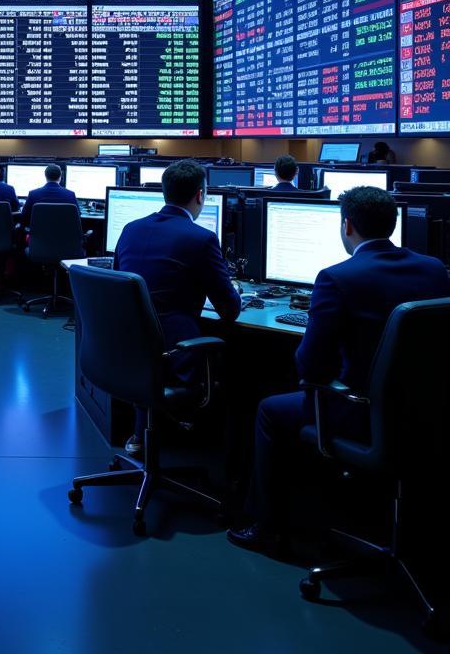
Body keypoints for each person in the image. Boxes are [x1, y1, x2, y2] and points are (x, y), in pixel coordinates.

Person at [228, 187, 450, 553]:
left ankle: (267, 526)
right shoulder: (434, 270)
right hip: (427, 409)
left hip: (362, 411)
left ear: (347, 226)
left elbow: (310, 366)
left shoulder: (337, 277)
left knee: (269, 408)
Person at [114, 159, 241, 456]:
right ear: (201, 195)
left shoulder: (130, 229)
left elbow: (122, 285)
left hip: (124, 350)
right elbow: (229, 311)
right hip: (175, 350)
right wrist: (232, 287)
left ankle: (142, 432)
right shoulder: (202, 238)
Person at [20, 164, 78, 228]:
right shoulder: (70, 195)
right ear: (60, 177)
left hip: (38, 236)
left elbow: (24, 218)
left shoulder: (33, 194)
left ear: (45, 176)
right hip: (63, 235)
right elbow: (77, 217)